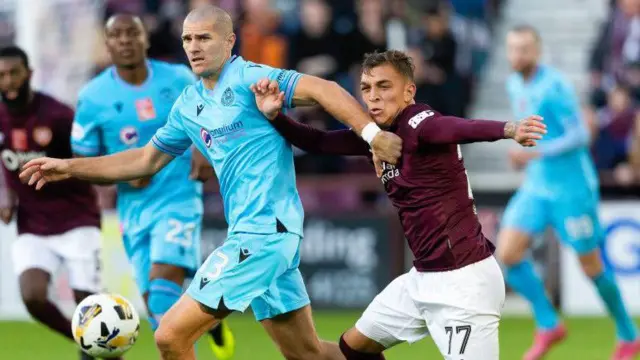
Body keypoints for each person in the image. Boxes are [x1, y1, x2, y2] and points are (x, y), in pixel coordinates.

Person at [19, 5, 402, 360]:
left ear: (229, 41)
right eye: (187, 39)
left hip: (264, 235)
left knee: (170, 336)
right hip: (258, 234)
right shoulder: (188, 104)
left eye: (204, 38)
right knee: (308, 354)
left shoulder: (251, 79)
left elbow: (323, 89)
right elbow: (144, 160)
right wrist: (69, 167)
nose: (194, 47)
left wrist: (372, 135)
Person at [249, 50, 546, 360]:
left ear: (408, 92)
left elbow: (455, 127)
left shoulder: (419, 122)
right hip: (421, 279)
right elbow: (319, 142)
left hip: (464, 283)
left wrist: (508, 129)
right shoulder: (376, 137)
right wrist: (276, 116)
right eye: (366, 88)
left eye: (384, 86)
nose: (373, 97)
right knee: (354, 346)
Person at [70, 14, 235, 359]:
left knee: (162, 293)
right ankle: (210, 321)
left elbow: (213, 112)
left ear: (145, 39)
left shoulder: (177, 79)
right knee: (157, 309)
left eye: (133, 33)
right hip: (134, 209)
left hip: (179, 195)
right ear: (108, 43)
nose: (126, 40)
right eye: (117, 35)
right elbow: (83, 159)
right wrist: (121, 175)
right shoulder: (92, 97)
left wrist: (206, 150)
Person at [497, 25, 640, 360]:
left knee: (590, 265)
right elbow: (533, 134)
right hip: (537, 185)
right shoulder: (513, 82)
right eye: (512, 49)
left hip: (572, 188)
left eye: (524, 49)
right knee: (508, 253)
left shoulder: (555, 86)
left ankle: (628, 333)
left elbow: (579, 136)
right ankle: (549, 324)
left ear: (537, 51)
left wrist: (534, 152)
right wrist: (524, 154)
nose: (517, 55)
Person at [0, 45, 105, 360]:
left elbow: (88, 159)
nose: (8, 80)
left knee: (87, 303)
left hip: (77, 219)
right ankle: (90, 341)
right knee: (32, 297)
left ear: (29, 74)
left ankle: (99, 347)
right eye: (1, 75)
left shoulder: (58, 116)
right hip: (33, 224)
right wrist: (6, 196)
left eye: (13, 72)